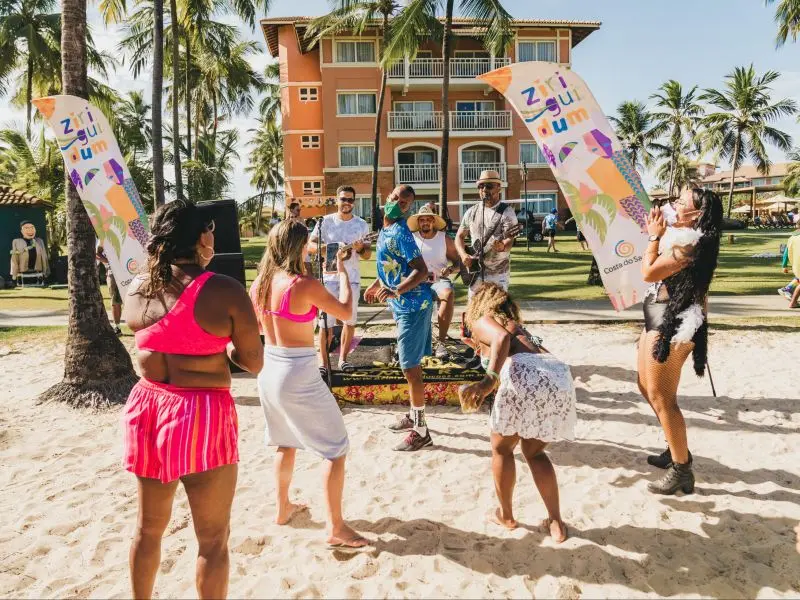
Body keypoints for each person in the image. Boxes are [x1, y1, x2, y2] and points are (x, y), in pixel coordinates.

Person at [122, 199, 264, 599]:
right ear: (203, 236)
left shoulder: (135, 289)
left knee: (147, 529)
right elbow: (252, 362)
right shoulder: (224, 290)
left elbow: (152, 341)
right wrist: (225, 350)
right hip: (201, 411)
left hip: (148, 406)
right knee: (213, 539)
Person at [250, 219, 368, 550]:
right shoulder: (302, 284)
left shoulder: (260, 283)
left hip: (269, 368)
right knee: (335, 448)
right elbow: (346, 312)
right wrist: (344, 273)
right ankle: (336, 527)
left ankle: (283, 508)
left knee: (284, 441)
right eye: (308, 244)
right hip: (297, 371)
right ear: (298, 246)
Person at [458, 283, 575, 542]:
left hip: (526, 375)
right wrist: (479, 346)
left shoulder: (483, 319)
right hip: (558, 377)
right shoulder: (518, 327)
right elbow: (510, 345)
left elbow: (500, 340)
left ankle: (506, 515)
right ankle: (556, 522)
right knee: (534, 452)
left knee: (502, 449)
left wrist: (488, 380)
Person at [639, 188, 722, 495]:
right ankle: (675, 447)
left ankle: (682, 470)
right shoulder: (680, 238)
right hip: (658, 315)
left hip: (674, 325)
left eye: (681, 202)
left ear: (696, 215)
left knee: (663, 398)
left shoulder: (690, 246)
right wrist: (660, 232)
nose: (674, 204)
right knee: (645, 387)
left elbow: (648, 272)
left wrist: (652, 237)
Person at [364, 185, 434, 451]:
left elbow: (421, 270)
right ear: (387, 198)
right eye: (395, 199)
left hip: (413, 306)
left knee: (410, 368)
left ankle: (421, 431)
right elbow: (393, 265)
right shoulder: (385, 231)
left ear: (409, 208)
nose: (398, 204)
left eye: (404, 204)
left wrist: (394, 290)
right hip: (406, 304)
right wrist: (377, 283)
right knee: (410, 365)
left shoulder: (402, 232)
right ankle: (414, 414)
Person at [308, 185, 372, 373]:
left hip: (351, 279)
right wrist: (326, 248)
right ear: (337, 200)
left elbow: (367, 254)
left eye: (351, 200)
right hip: (328, 279)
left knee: (349, 321)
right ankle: (323, 363)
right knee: (324, 324)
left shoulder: (361, 224)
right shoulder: (325, 222)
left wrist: (360, 248)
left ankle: (343, 360)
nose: (347, 203)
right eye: (344, 199)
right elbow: (310, 245)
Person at [408, 205, 460, 360]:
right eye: (422, 220)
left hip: (439, 280)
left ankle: (441, 343)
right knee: (407, 298)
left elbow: (458, 263)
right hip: (417, 280)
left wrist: (450, 270)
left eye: (428, 220)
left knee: (448, 293)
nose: (425, 222)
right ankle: (413, 342)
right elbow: (404, 262)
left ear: (433, 221)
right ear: (418, 223)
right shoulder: (412, 238)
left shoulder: (444, 238)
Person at [455, 170, 518, 298]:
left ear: (498, 188)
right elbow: (459, 236)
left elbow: (510, 240)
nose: (484, 189)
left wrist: (502, 246)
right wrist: (463, 255)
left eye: (489, 186)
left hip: (498, 273)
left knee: (496, 311)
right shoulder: (471, 211)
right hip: (475, 272)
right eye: (481, 186)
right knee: (474, 311)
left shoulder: (507, 212)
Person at [96, 244, 123, 335]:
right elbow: (97, 253)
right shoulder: (104, 236)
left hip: (130, 269)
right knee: (115, 300)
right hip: (113, 272)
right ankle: (117, 327)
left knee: (135, 299)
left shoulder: (128, 231)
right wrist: (108, 262)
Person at [779, 215, 800, 308]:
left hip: (796, 264)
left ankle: (788, 290)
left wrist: (784, 265)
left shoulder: (792, 238)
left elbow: (786, 253)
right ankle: (793, 302)